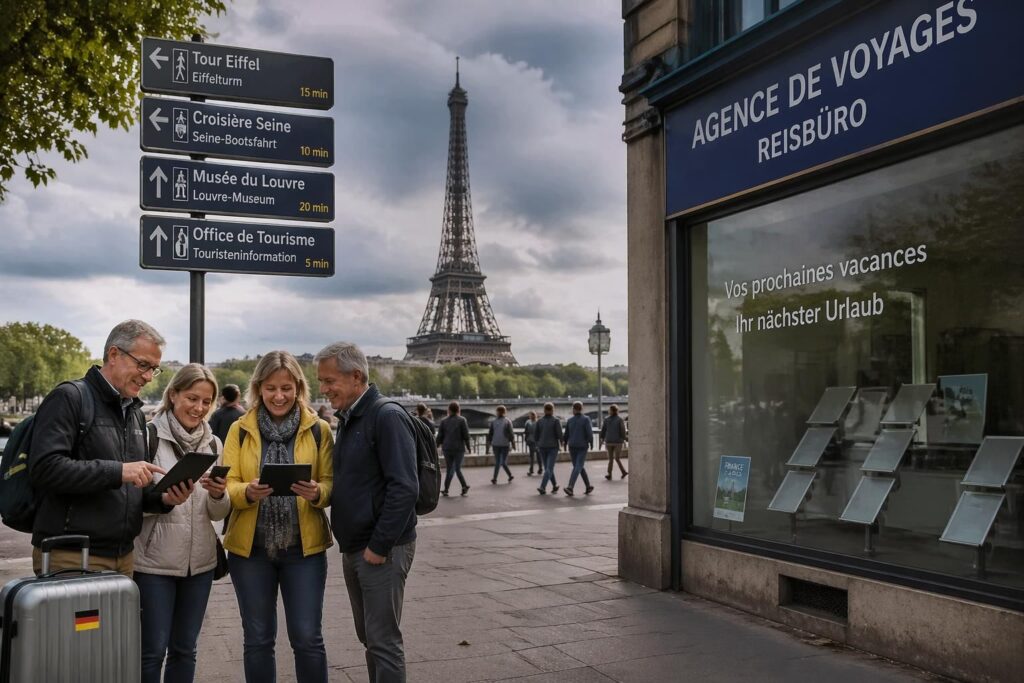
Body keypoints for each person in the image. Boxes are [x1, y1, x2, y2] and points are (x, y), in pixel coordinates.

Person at [28, 319, 174, 576]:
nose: (149, 377)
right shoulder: (69, 397)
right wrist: (118, 471)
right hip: (72, 554)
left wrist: (164, 499)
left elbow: (132, 490)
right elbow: (44, 468)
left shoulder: (136, 413)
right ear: (114, 354)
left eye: (154, 369)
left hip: (124, 555)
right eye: (143, 365)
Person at [222, 351, 334, 683]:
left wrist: (317, 493)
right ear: (258, 388)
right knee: (257, 640)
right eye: (271, 388)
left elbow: (330, 482)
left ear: (299, 388)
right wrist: (247, 492)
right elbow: (227, 484)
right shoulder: (239, 430)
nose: (279, 396)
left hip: (304, 550)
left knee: (308, 639)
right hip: (250, 550)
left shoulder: (320, 430)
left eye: (286, 388)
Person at [315, 341, 418, 682]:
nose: (324, 389)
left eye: (329, 381)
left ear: (356, 376)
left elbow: (404, 487)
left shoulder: (385, 416)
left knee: (383, 640)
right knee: (371, 638)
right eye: (321, 381)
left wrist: (379, 546)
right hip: (357, 546)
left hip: (378, 549)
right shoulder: (352, 416)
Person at [134, 363, 230, 683]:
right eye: (192, 398)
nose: (199, 408)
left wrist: (218, 495)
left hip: (199, 565)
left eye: (206, 402)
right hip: (153, 564)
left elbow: (218, 513)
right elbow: (129, 502)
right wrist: (163, 502)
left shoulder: (214, 444)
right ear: (173, 394)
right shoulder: (147, 437)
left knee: (185, 649)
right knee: (151, 650)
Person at [436, 400, 471, 497]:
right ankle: (463, 486)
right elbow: (466, 435)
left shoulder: (444, 421)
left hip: (447, 448)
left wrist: (436, 446)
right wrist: (468, 447)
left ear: (449, 410)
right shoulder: (462, 420)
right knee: (457, 469)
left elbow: (440, 436)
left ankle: (447, 489)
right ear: (458, 409)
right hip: (459, 448)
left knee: (450, 469)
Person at [563, 401, 595, 496]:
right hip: (582, 446)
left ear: (573, 409)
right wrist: (591, 443)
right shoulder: (586, 419)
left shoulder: (570, 420)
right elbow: (589, 433)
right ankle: (570, 487)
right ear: (581, 409)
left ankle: (587, 486)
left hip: (572, 446)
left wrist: (564, 444)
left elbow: (566, 434)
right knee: (578, 466)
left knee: (578, 466)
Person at [534, 403, 562, 495]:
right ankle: (543, 487)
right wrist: (562, 444)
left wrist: (537, 444)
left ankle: (553, 485)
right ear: (552, 410)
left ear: (544, 410)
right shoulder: (556, 421)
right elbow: (559, 435)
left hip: (542, 447)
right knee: (549, 468)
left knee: (547, 468)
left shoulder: (539, 421)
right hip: (553, 447)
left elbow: (536, 435)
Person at [486, 405, 515, 485]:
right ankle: (495, 478)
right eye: (497, 411)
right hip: (496, 444)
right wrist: (488, 444)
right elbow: (490, 434)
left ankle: (509, 475)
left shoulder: (507, 421)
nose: (497, 413)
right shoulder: (494, 422)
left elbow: (511, 433)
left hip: (505, 444)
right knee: (498, 462)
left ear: (502, 412)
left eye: (498, 411)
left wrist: (513, 443)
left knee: (502, 462)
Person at [600, 404, 628, 480]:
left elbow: (603, 430)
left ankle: (610, 474)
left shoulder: (607, 419)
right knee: (616, 458)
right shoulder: (620, 419)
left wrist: (602, 438)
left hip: (609, 441)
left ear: (611, 411)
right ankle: (622, 472)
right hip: (617, 442)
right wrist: (625, 438)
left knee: (611, 459)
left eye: (610, 410)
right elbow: (622, 431)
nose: (610, 411)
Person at [524, 410, 541, 476]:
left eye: (532, 415)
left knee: (534, 456)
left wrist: (526, 439)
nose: (532, 416)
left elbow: (526, 432)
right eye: (531, 415)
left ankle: (533, 470)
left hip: (534, 441)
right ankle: (537, 469)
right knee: (535, 456)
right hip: (533, 441)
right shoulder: (537, 422)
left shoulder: (528, 422)